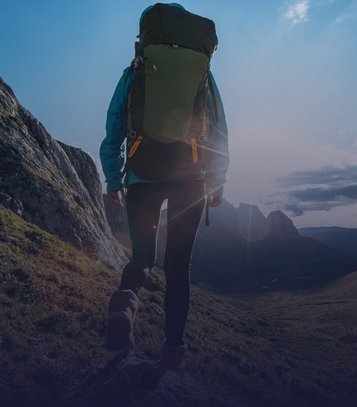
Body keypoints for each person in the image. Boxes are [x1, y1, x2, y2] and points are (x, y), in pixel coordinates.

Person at [99, 2, 229, 370]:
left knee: (142, 258)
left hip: (142, 174)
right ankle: (173, 351)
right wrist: (217, 180)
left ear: (147, 36)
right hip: (190, 179)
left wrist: (112, 176)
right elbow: (218, 129)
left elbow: (114, 122)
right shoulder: (203, 75)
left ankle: (124, 304)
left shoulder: (136, 71)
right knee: (178, 268)